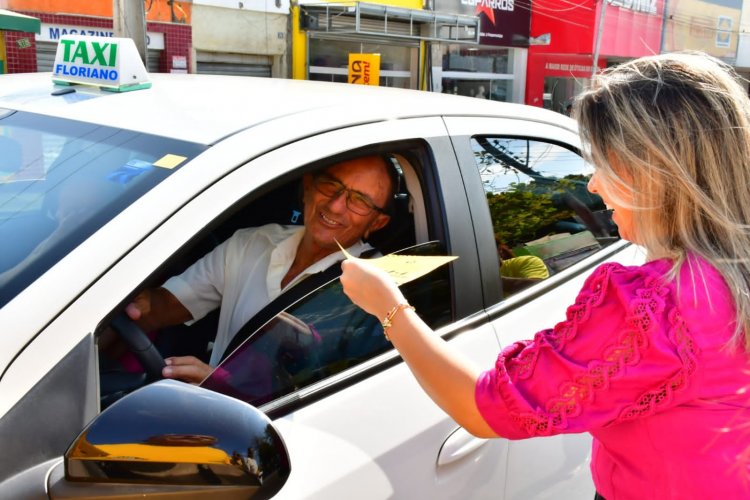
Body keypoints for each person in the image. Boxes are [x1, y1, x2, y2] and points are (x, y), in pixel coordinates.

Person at [340, 52, 750, 499]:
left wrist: (388, 306)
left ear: (658, 174)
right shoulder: (729, 273)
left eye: (607, 167)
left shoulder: (655, 308)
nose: (592, 185)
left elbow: (486, 409)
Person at [125, 155, 396, 383]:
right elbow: (167, 304)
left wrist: (220, 386)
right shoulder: (252, 242)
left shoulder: (377, 292)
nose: (336, 205)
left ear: (378, 223)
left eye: (359, 201)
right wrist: (130, 306)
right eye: (330, 185)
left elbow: (325, 399)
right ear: (308, 186)